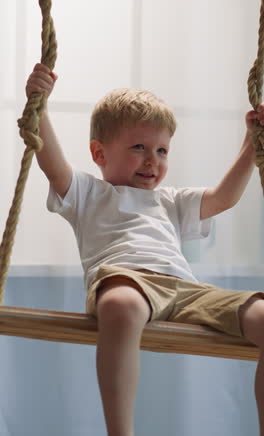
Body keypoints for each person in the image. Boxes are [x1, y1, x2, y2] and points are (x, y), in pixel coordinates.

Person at [27, 62, 264, 436]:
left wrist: (252, 144)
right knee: (120, 304)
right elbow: (53, 166)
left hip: (186, 291)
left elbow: (223, 198)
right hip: (126, 280)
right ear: (99, 153)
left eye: (162, 150)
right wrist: (38, 108)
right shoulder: (90, 194)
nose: (153, 160)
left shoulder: (171, 200)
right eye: (139, 147)